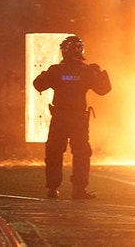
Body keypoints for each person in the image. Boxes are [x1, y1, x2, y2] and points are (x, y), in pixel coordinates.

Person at [33, 35, 111, 200]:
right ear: (80, 50)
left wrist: (46, 74)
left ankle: (53, 189)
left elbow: (38, 84)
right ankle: (78, 189)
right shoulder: (86, 71)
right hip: (78, 119)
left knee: (54, 152)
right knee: (81, 153)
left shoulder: (56, 71)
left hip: (60, 118)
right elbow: (104, 90)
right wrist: (102, 72)